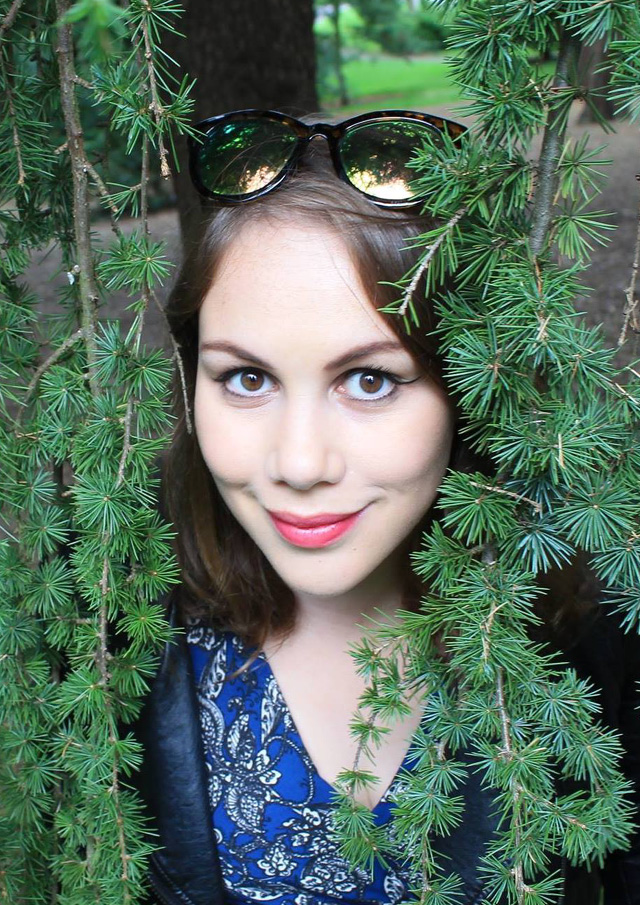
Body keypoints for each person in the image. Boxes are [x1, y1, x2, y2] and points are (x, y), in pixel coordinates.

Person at [134, 110, 640, 905]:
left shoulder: (588, 649)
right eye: (247, 378)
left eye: (369, 379)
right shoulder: (115, 638)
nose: (300, 463)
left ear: (473, 387)